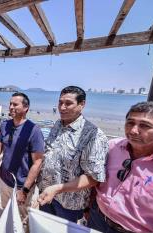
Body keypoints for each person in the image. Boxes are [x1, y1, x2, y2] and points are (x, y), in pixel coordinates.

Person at [88, 101, 153, 233]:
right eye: (130, 123)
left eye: (145, 126)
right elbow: (97, 179)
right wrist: (89, 207)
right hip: (97, 219)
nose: (133, 131)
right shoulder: (112, 146)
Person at [37, 86, 108, 223]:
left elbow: (93, 178)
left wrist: (57, 189)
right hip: (46, 194)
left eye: (68, 103)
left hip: (69, 205)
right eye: (60, 103)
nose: (62, 108)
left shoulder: (93, 135)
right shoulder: (58, 125)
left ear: (82, 104)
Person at [0, 92, 44, 222]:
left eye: (15, 104)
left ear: (25, 108)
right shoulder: (5, 125)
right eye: (10, 104)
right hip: (4, 180)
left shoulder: (34, 130)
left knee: (22, 219)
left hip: (21, 185)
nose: (11, 107)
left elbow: (38, 162)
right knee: (7, 211)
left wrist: (25, 190)